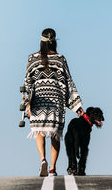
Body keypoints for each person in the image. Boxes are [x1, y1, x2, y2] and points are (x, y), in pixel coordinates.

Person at [22, 28, 84, 176]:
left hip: (39, 100)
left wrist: (27, 104)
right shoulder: (60, 59)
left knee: (39, 131)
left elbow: (27, 83)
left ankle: (43, 160)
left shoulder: (32, 59)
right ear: (54, 42)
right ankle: (52, 168)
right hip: (56, 102)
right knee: (55, 135)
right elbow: (68, 82)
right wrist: (77, 106)